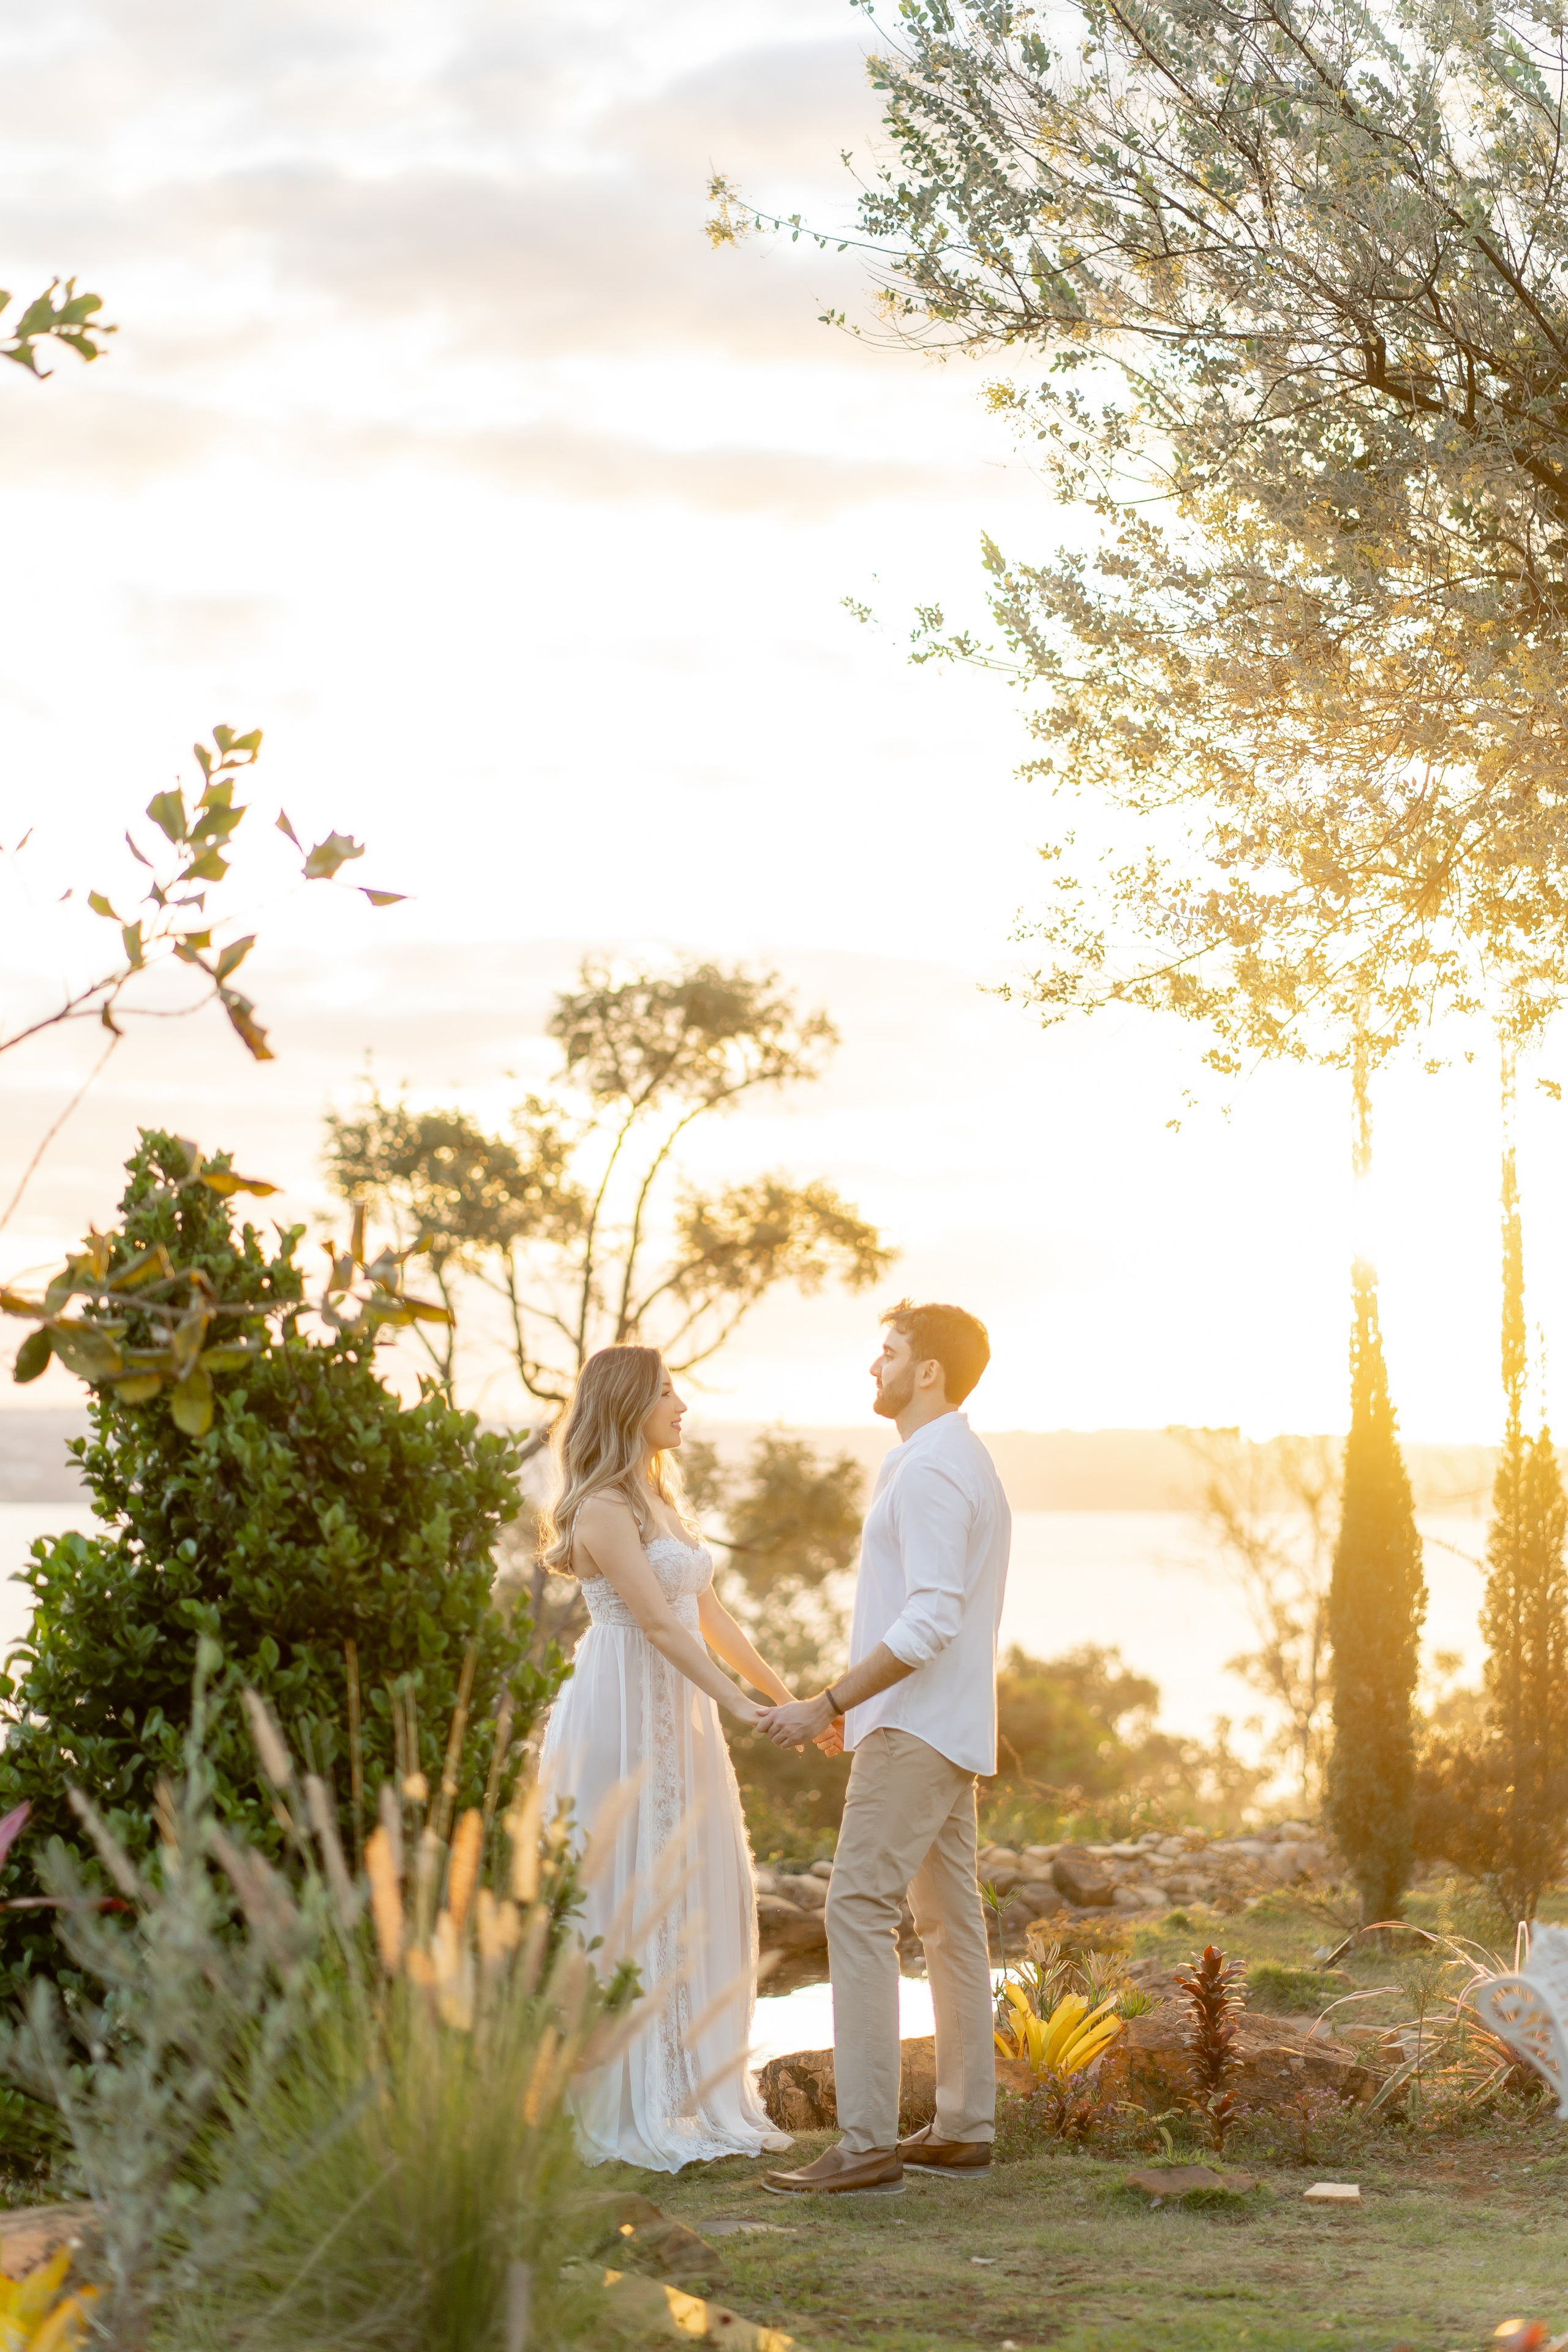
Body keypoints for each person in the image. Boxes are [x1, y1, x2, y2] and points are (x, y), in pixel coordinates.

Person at [754, 1300, 1010, 2195]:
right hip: (933, 1727)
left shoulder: (935, 1470)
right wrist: (847, 1715)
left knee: (857, 1910)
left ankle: (865, 2143)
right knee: (949, 1924)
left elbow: (933, 1615)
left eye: (889, 1352)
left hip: (916, 1732)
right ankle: (964, 2127)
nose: (875, 1366)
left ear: (928, 1370)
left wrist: (830, 1699)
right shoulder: (945, 1459)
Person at [536, 1344, 802, 2170]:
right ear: (627, 1408)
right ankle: (626, 2098)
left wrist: (786, 1694)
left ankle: (692, 2089)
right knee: (626, 1891)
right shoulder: (602, 1508)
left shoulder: (658, 1494)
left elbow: (706, 1611)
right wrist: (736, 1704)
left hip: (679, 1710)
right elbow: (655, 1624)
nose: (681, 1405)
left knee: (687, 1881)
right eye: (666, 1393)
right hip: (619, 1709)